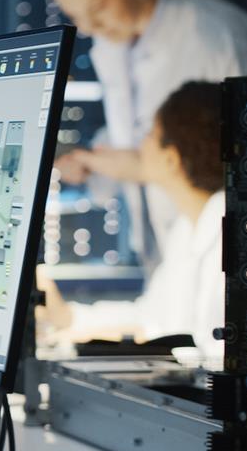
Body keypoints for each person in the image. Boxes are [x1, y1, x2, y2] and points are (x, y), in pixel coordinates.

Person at [46, 0, 247, 272]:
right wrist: (97, 163)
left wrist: (132, 164)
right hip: (166, 252)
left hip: (226, 244)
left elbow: (226, 156)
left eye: (98, 7)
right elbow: (138, 136)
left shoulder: (209, 35)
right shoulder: (114, 47)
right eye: (76, 17)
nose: (88, 28)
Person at [39, 81, 226, 358]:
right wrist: (67, 318)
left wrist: (98, 343)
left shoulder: (225, 240)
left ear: (171, 159)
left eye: (151, 134)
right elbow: (151, 317)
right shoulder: (187, 229)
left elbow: (206, 351)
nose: (141, 144)